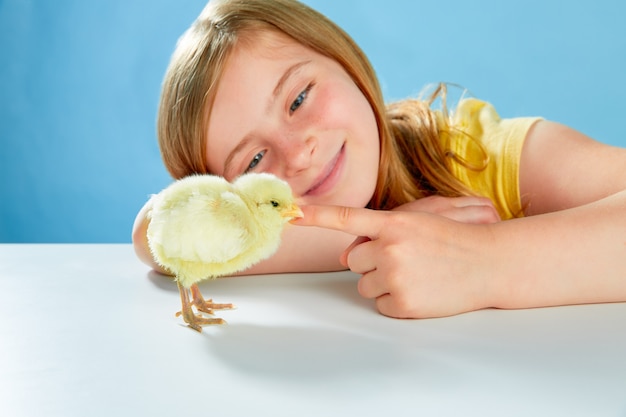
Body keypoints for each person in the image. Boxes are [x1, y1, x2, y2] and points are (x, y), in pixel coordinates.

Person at [133, 0, 626, 319]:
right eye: (255, 157)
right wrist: (370, 234)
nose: (298, 153)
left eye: (300, 99)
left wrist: (481, 261)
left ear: (346, 62)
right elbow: (151, 233)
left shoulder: (492, 157)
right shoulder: (258, 219)